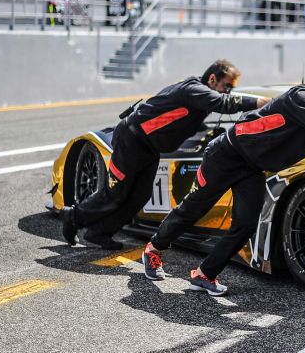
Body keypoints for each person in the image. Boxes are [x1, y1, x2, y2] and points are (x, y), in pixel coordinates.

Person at [141, 62, 305, 295]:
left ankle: (204, 274)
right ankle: (153, 249)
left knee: (246, 225)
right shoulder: (301, 98)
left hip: (252, 167)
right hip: (226, 155)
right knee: (193, 209)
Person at [60, 60, 268, 249]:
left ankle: (98, 233)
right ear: (213, 79)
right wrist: (260, 103)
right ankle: (74, 216)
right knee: (116, 193)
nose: (228, 92)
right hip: (131, 140)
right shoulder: (194, 89)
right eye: (227, 87)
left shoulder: (198, 94)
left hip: (149, 146)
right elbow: (225, 104)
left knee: (141, 195)